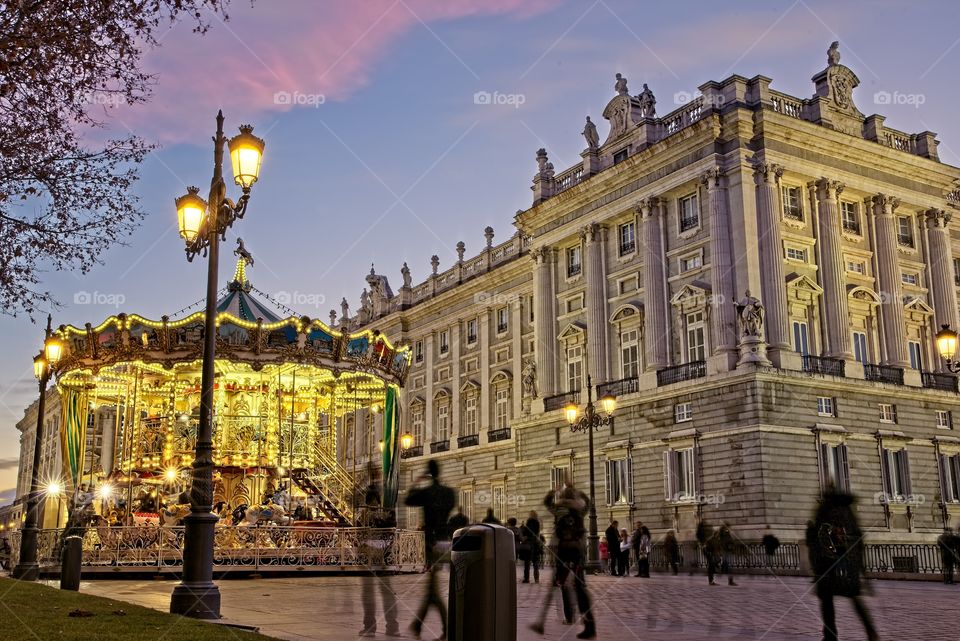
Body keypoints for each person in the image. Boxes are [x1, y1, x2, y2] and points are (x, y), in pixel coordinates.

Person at [530, 479, 595, 640]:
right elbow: (587, 501)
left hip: (564, 551)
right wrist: (577, 491)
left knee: (557, 585)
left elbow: (547, 502)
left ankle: (542, 622)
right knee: (578, 587)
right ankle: (589, 624)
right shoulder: (580, 509)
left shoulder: (559, 509)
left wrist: (554, 490)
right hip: (578, 552)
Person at [811, 488, 878, 641]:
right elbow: (858, 537)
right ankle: (870, 631)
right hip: (850, 562)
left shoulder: (825, 509)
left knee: (827, 599)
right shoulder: (848, 510)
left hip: (830, 561)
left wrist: (818, 561)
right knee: (853, 596)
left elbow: (820, 536)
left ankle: (830, 635)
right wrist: (861, 567)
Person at [404, 459, 456, 641]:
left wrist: (417, 481)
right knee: (432, 588)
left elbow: (408, 499)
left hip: (432, 543)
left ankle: (445, 629)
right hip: (445, 542)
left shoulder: (426, 493)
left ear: (429, 472)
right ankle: (419, 625)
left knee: (433, 590)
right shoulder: (449, 493)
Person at [358, 483, 399, 637]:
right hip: (384, 558)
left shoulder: (364, 516)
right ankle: (392, 627)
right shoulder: (385, 515)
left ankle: (370, 627)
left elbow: (360, 536)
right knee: (387, 594)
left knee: (369, 595)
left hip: (371, 560)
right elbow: (391, 534)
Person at [521, 510, 542, 583]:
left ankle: (526, 578)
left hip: (530, 543)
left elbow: (529, 532)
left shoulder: (530, 522)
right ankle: (536, 578)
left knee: (527, 562)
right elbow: (536, 533)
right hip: (536, 543)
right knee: (535, 562)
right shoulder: (538, 522)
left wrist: (523, 529)